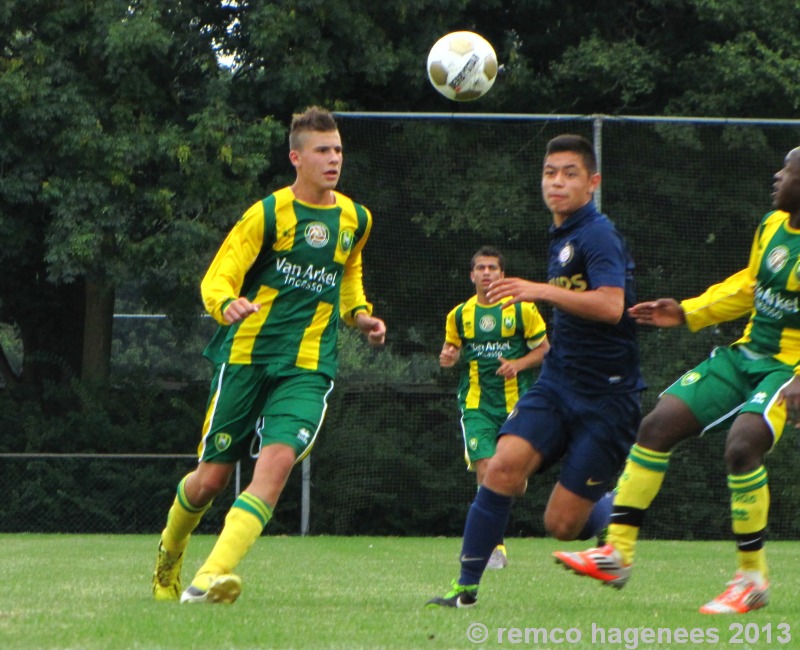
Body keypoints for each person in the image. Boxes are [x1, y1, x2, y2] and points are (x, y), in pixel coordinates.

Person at [152, 106, 386, 605]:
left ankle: (207, 579)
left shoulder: (356, 219)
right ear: (296, 157)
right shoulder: (267, 213)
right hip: (245, 358)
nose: (334, 159)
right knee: (208, 482)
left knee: (275, 465)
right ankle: (169, 558)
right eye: (323, 150)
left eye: (338, 149)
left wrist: (359, 315)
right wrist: (225, 302)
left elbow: (347, 275)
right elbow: (218, 275)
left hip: (307, 366)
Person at [553, 146, 800, 615]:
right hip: (745, 354)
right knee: (657, 426)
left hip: (790, 368)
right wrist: (688, 312)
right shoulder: (772, 227)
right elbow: (749, 287)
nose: (777, 175)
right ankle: (616, 555)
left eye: (788, 170)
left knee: (742, 445)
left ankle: (752, 578)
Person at [427, 134, 645, 608]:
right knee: (501, 468)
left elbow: (612, 306)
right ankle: (464, 589)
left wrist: (540, 292)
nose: (558, 182)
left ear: (593, 182)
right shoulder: (563, 233)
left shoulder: (597, 234)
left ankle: (618, 524)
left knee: (561, 525)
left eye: (570, 173)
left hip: (607, 396)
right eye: (550, 173)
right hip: (559, 382)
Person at [440, 246, 549, 569]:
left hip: (517, 405)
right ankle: (493, 547)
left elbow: (545, 350)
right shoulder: (459, 315)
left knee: (511, 480)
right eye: (481, 268)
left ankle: (515, 484)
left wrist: (517, 364)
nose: (486, 273)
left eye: (492, 268)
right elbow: (451, 351)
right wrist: (448, 358)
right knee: (486, 468)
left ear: (502, 274)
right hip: (476, 404)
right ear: (471, 275)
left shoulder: (522, 310)